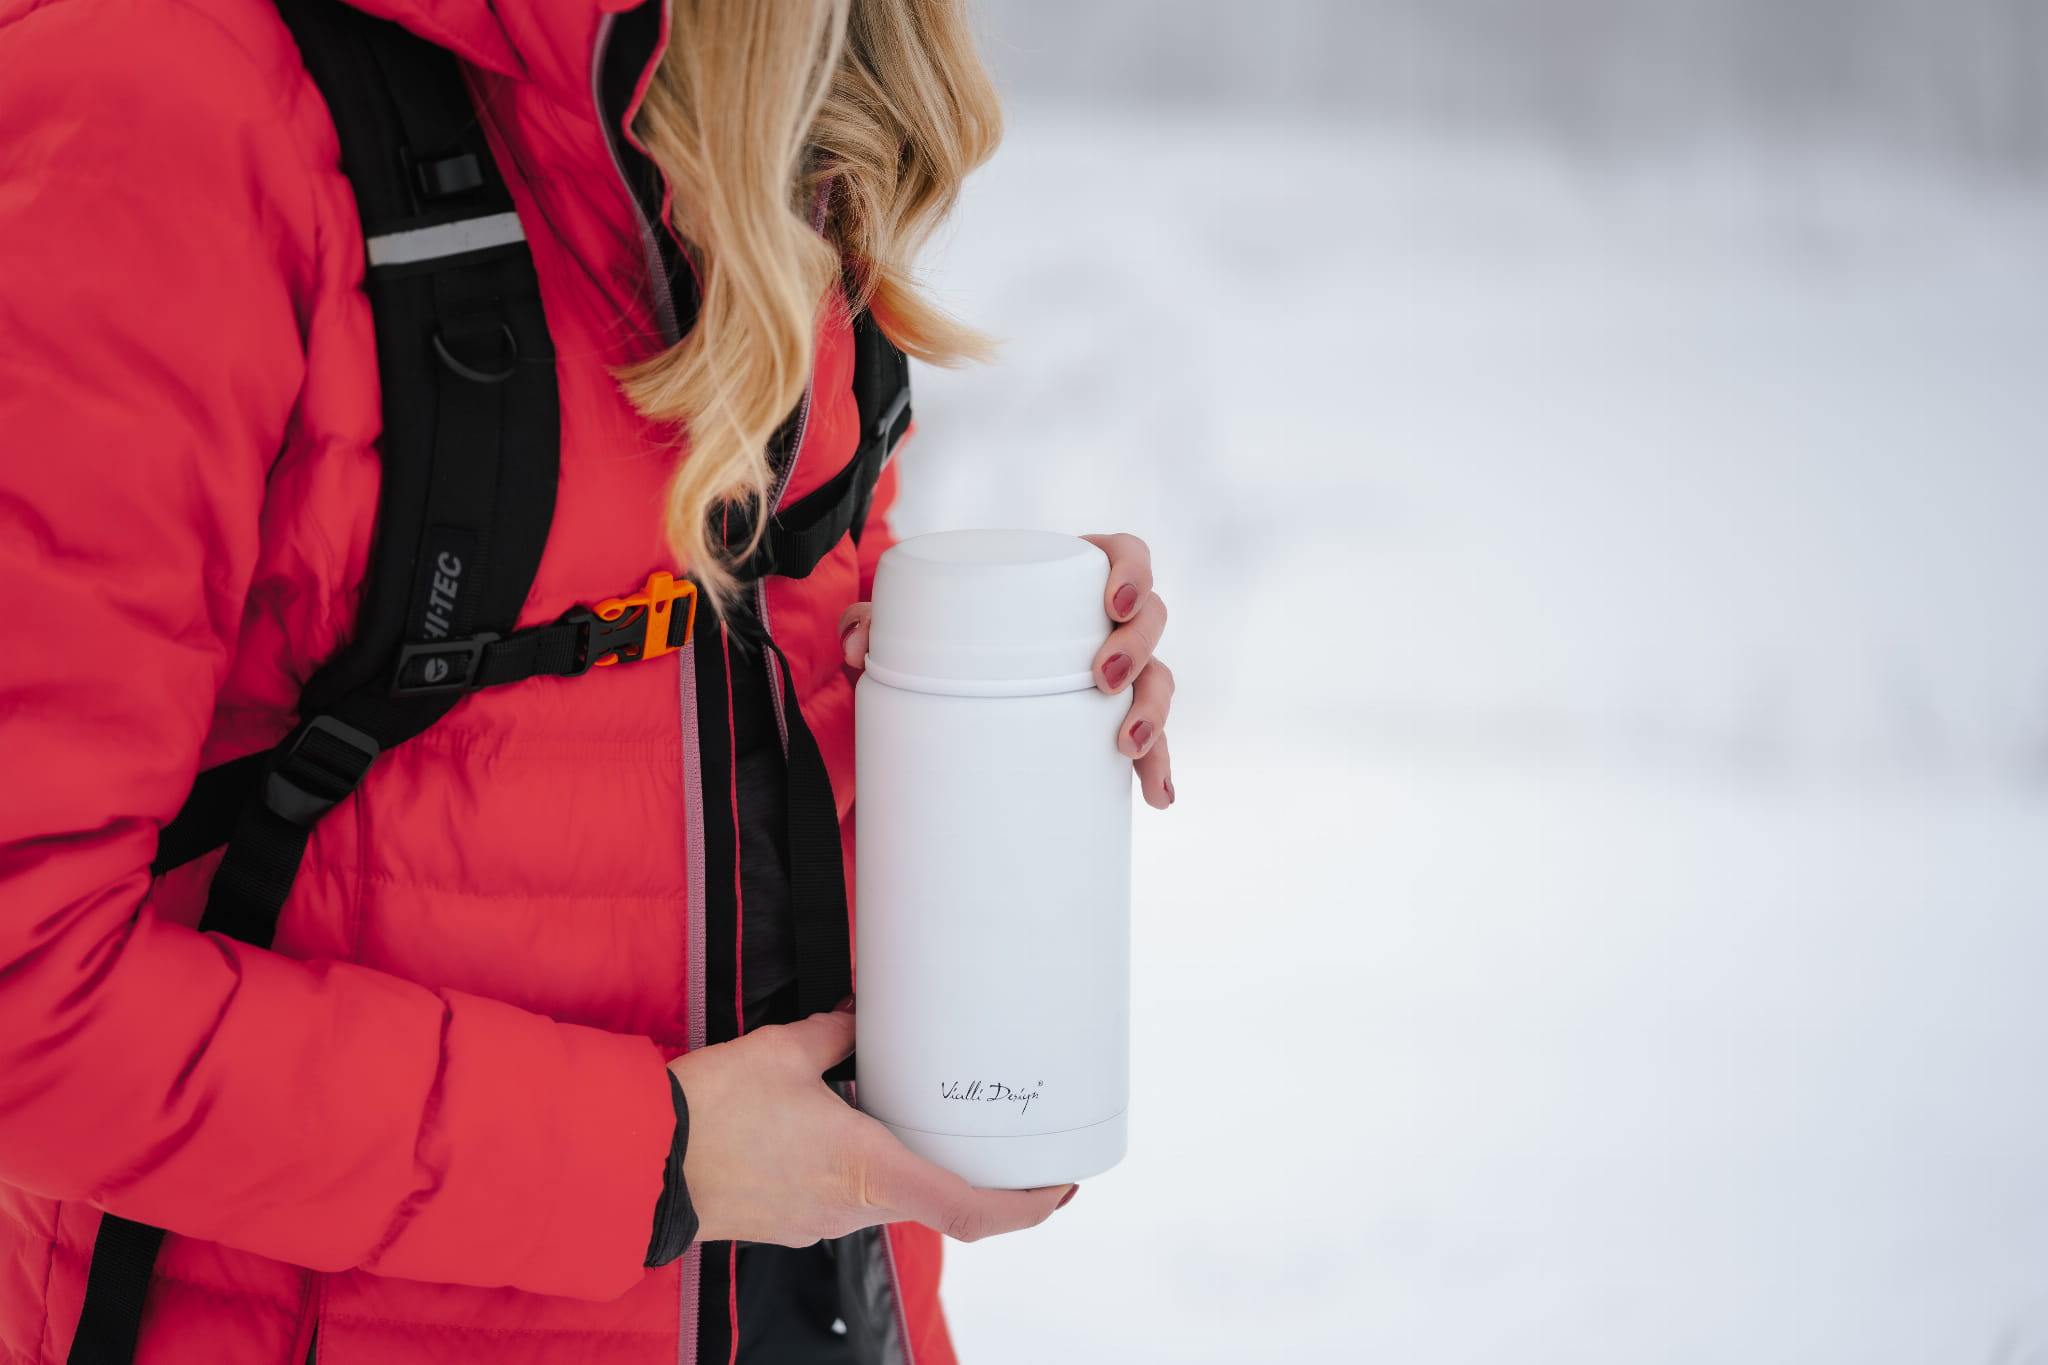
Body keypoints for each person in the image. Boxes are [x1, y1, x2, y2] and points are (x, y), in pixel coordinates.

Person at [0, 0, 1176, 1361]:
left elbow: (743, 717)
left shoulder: (772, 84)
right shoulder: (158, 92)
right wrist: (655, 1156)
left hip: (830, 1308)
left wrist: (981, 693)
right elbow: (27, 993)